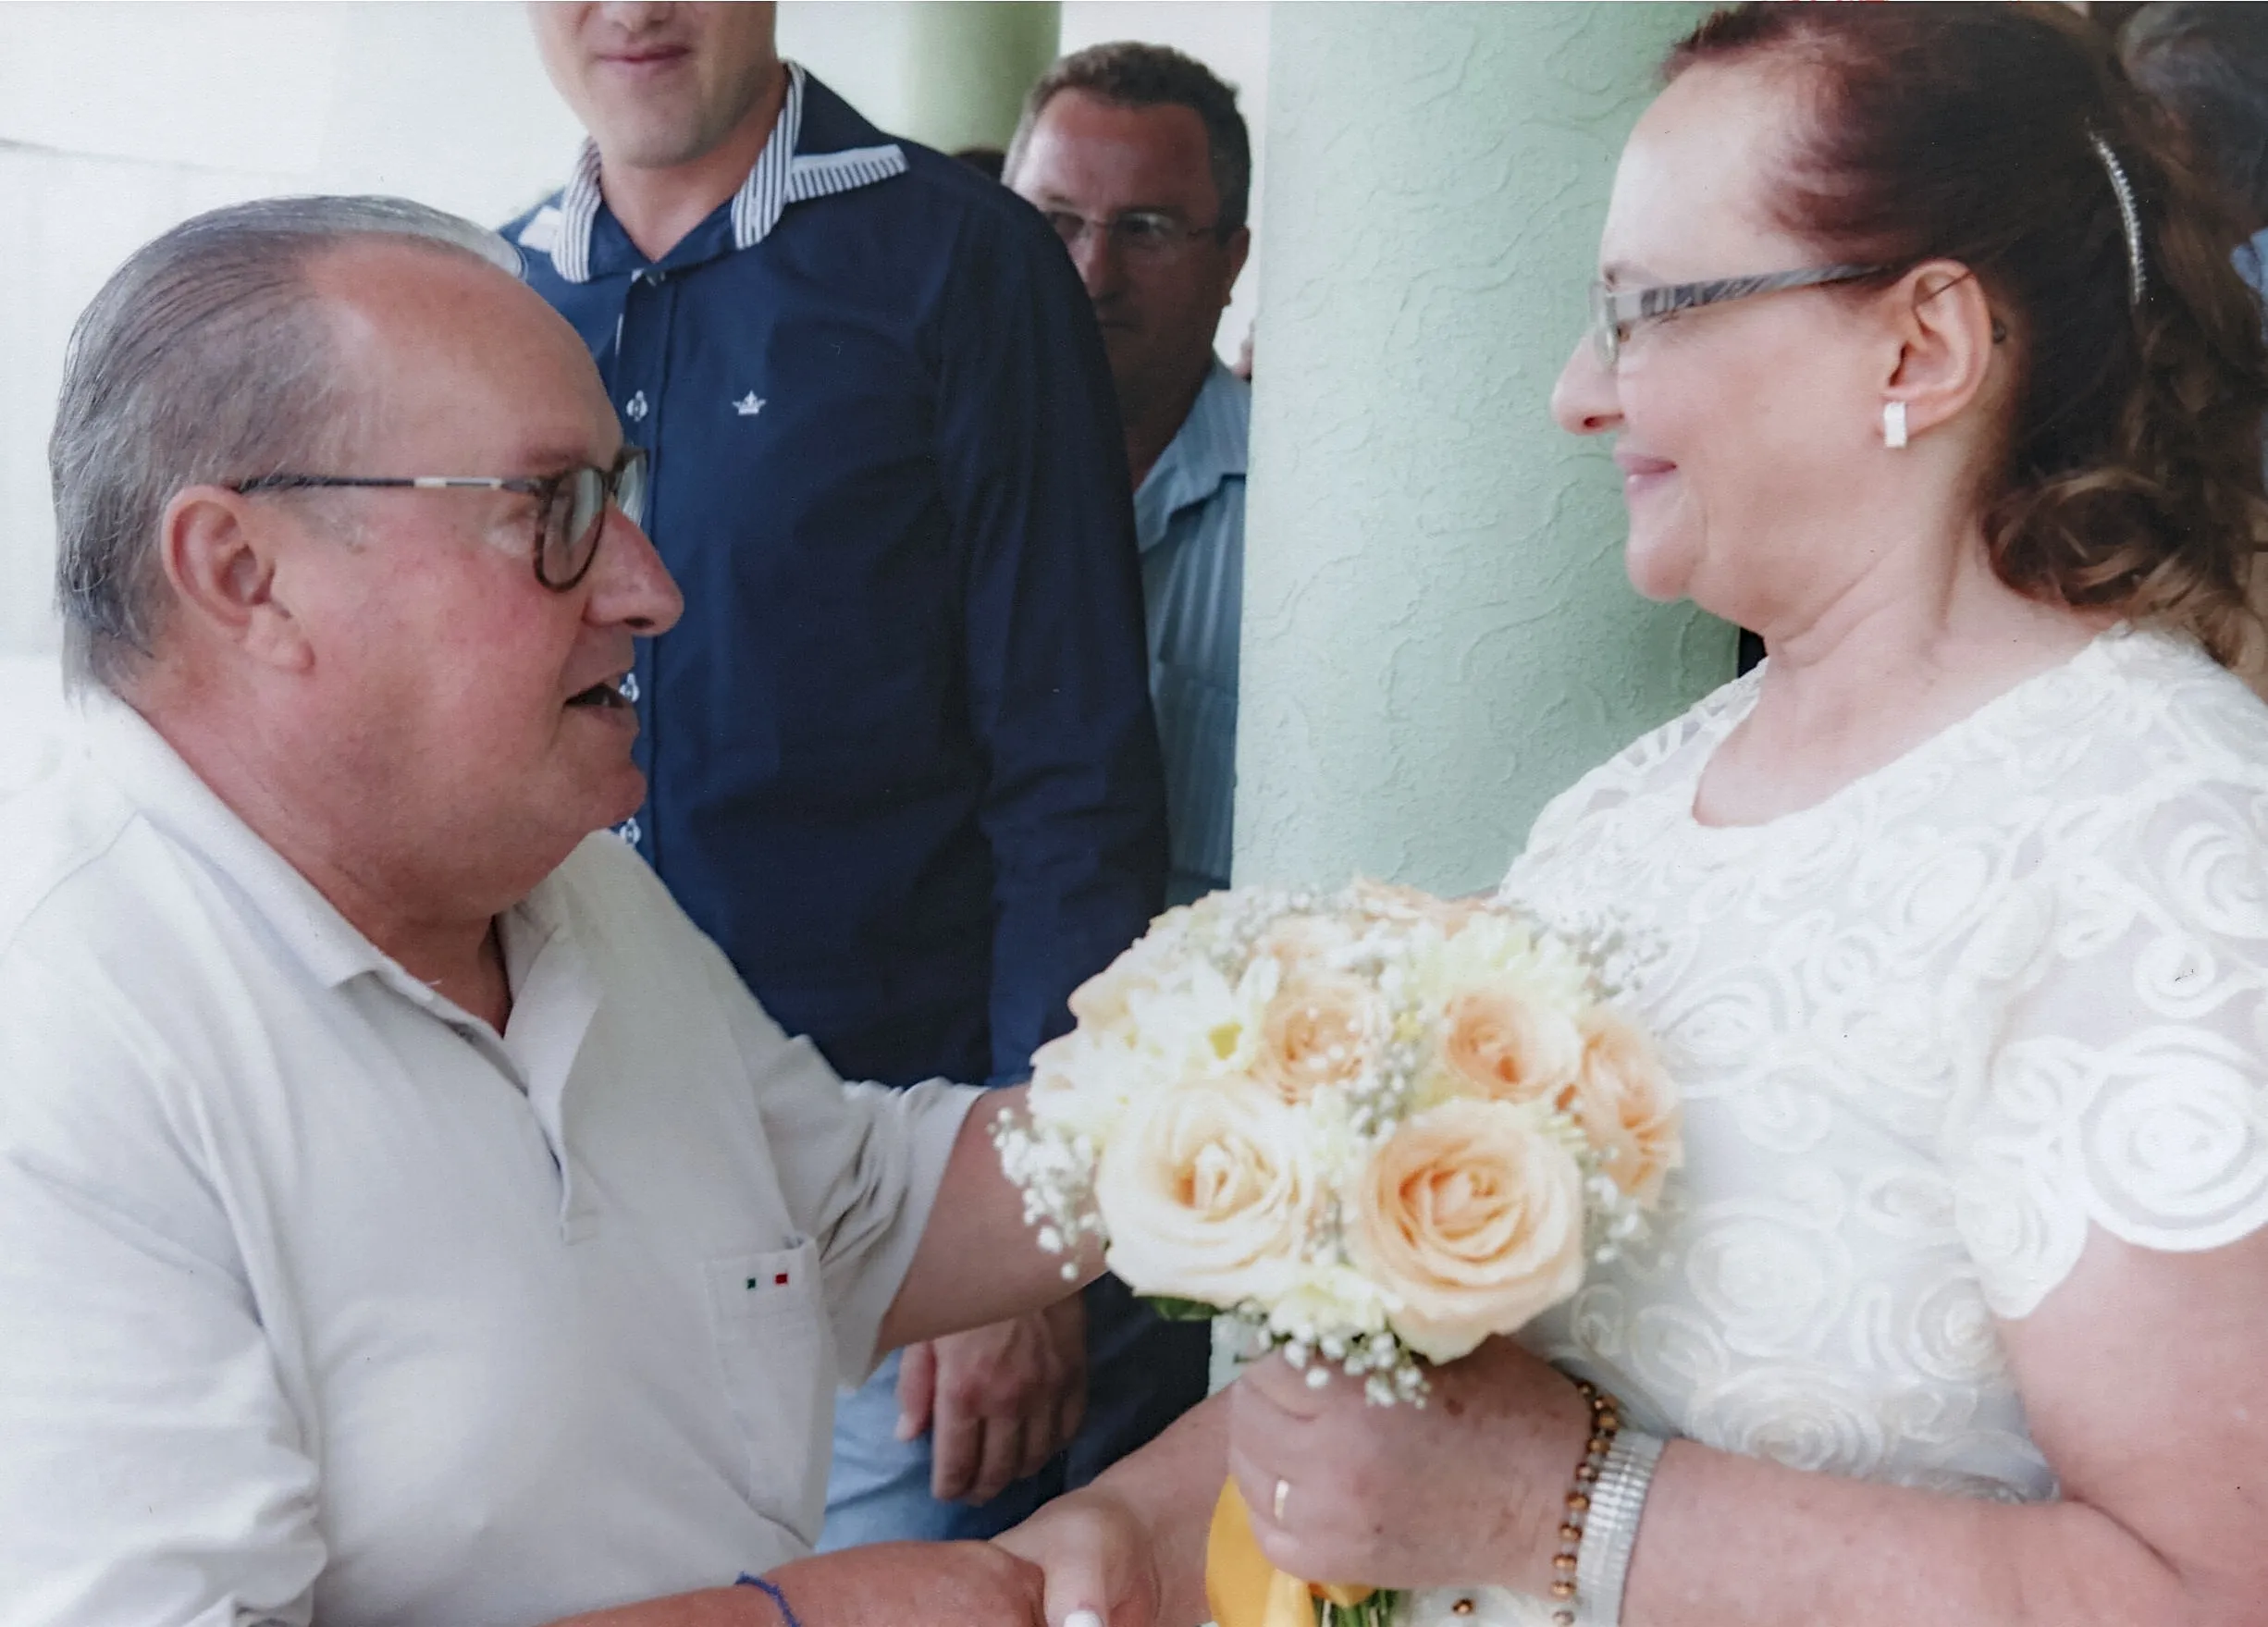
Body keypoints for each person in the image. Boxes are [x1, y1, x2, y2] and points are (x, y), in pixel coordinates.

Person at [999, 7, 2268, 1625]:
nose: (1574, 393)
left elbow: (2215, 1583)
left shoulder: (2158, 838)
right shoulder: (1629, 808)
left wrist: (1567, 1505)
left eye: (1644, 312)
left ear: (1920, 346)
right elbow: (1447, 1399)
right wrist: (1128, 1519)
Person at [0, 194, 1108, 1627]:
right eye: (555, 513)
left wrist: (1328, 1085)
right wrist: (805, 1616)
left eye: (622, 500)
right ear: (246, 576)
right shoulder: (64, 1039)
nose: (652, 588)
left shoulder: (563, 880)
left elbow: (848, 1212)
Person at [512, 3, 1184, 1548]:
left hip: (891, 1225)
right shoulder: (494, 293)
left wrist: (1031, 1232)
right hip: (554, 1214)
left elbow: (1073, 773)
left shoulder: (962, 265)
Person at [1006, 43, 1252, 906]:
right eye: (1055, 221)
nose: (1090, 274)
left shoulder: (1301, 526)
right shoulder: (923, 490)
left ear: (1231, 262)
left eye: (1145, 230)